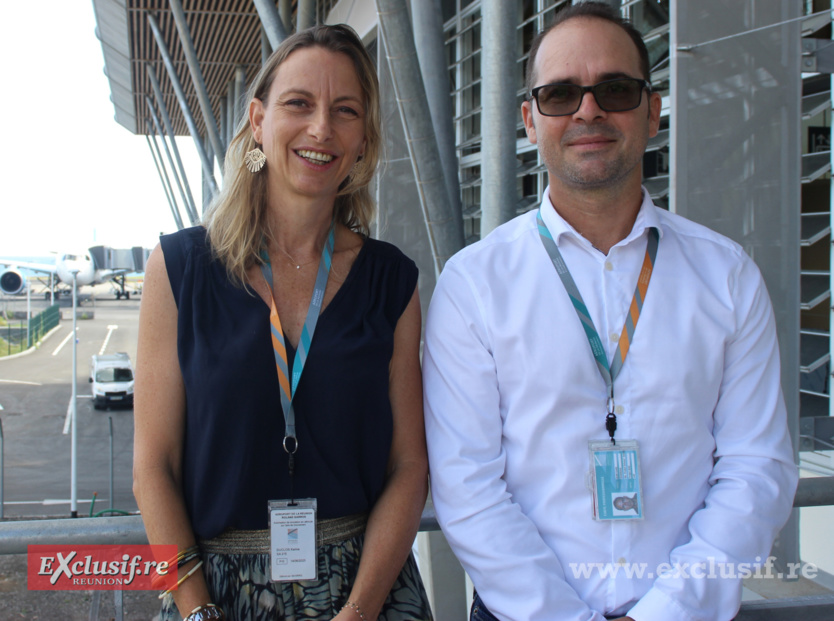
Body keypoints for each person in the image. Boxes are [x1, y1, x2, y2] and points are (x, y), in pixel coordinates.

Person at [422, 3, 798, 620]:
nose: (588, 110)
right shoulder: (473, 286)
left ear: (652, 111)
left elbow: (757, 468)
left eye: (615, 90)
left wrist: (667, 613)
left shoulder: (727, 276)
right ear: (530, 120)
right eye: (560, 94)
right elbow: (467, 486)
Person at [134, 24, 432, 621]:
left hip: (368, 590)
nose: (321, 128)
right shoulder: (179, 268)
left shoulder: (391, 281)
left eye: (345, 110)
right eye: (299, 103)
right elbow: (152, 469)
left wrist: (359, 611)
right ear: (257, 120)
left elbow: (408, 466)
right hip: (214, 594)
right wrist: (196, 610)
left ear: (362, 140)